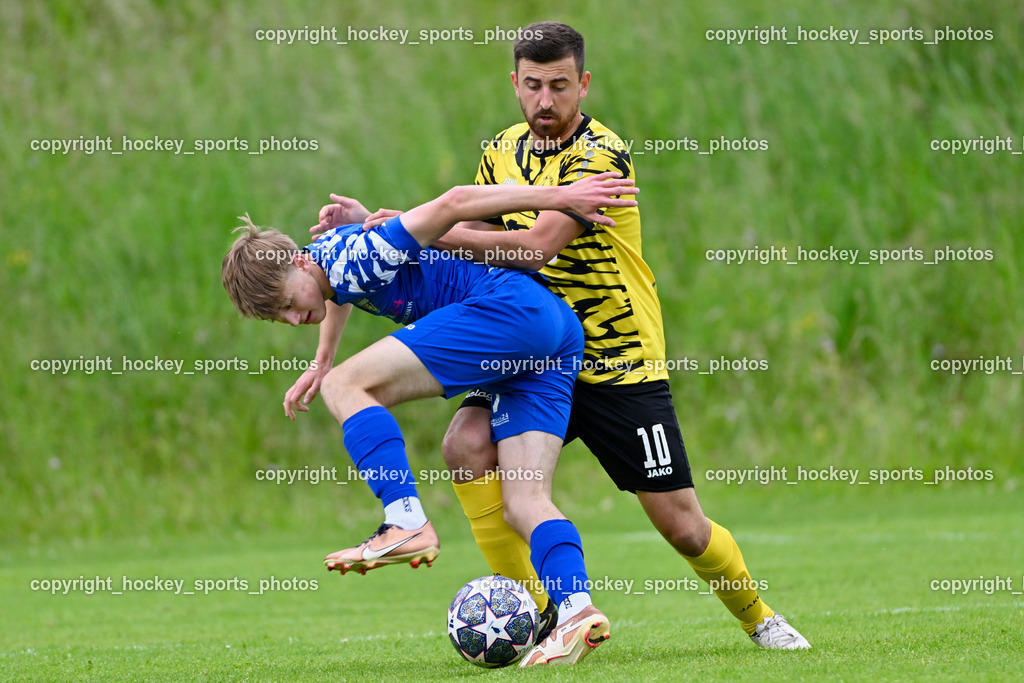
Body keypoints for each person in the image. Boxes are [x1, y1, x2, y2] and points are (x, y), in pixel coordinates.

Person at [324, 21, 811, 650]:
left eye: (559, 85)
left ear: (583, 84)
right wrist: (391, 231)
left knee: (683, 526)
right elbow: (481, 246)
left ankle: (759, 618)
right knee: (466, 444)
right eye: (533, 85)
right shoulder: (502, 150)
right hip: (528, 350)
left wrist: (421, 227)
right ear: (515, 84)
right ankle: (535, 615)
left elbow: (533, 249)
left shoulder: (600, 158)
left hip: (616, 359)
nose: (546, 100)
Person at [223, 172, 638, 666]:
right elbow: (336, 293)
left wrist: (562, 197)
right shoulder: (330, 262)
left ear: (297, 262)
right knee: (524, 501)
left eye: (289, 304)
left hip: (508, 312)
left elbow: (455, 201)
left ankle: (405, 520)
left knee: (345, 388)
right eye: (281, 317)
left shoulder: (360, 253)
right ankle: (576, 611)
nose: (294, 319)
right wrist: (322, 359)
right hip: (553, 332)